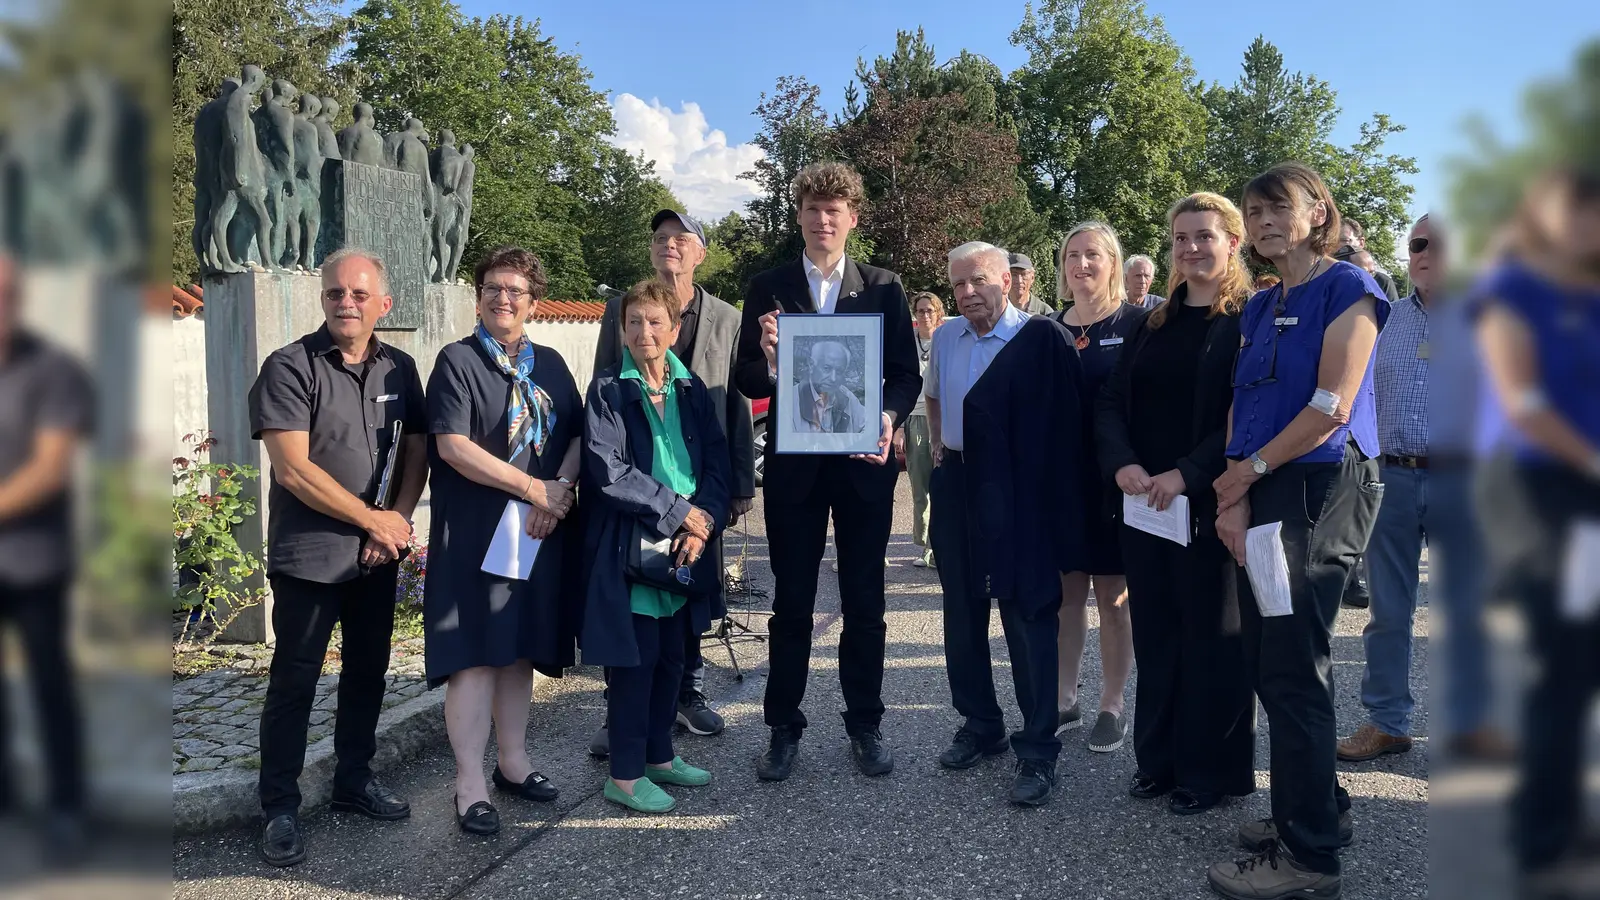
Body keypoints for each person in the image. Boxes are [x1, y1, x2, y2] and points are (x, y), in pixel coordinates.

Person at [1205, 162, 1387, 900]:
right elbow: (1242, 404)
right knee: (1272, 656)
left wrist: (1245, 474)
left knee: (1291, 665)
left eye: (1280, 206)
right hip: (1264, 485)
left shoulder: (1351, 290)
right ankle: (1319, 807)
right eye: (1253, 209)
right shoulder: (1259, 304)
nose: (1264, 219)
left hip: (1322, 483)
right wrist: (1230, 493)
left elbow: (1333, 405)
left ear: (1319, 214)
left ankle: (1309, 859)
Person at [734, 161, 921, 781]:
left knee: (865, 602)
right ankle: (782, 728)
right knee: (792, 605)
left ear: (852, 218)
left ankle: (864, 723)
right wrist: (766, 357)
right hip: (794, 471)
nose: (823, 219)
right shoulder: (769, 286)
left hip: (863, 468)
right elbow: (746, 379)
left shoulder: (885, 288)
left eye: (834, 209)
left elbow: (904, 372)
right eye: (813, 208)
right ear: (800, 214)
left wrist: (891, 415)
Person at [248, 248, 429, 866]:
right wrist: (371, 519)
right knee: (295, 682)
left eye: (358, 294)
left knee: (366, 674)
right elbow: (294, 470)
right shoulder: (290, 366)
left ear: (385, 304)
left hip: (378, 557)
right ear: (322, 299)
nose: (346, 303)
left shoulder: (402, 369)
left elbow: (416, 454)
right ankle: (279, 807)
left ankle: (353, 780)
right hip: (309, 557)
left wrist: (397, 520)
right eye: (335, 294)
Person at [1095, 193, 1256, 815]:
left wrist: (1187, 473)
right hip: (1144, 505)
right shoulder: (1148, 322)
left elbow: (1246, 415)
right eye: (1182, 238)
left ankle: (1208, 771)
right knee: (1158, 633)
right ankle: (1157, 761)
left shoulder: (1245, 321)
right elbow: (1110, 403)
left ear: (1232, 243)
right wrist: (1125, 465)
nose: (1192, 248)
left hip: (1209, 502)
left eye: (1205, 236)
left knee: (1212, 637)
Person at [424, 246, 584, 836]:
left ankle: (514, 763)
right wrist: (533, 489)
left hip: (538, 534)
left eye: (515, 290)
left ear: (534, 303)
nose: (503, 298)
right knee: (474, 656)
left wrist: (559, 490)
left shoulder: (554, 366)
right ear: (479, 297)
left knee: (518, 650)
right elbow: (452, 446)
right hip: (474, 534)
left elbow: (577, 431)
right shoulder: (458, 361)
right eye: (493, 287)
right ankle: (470, 782)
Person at [1471, 169, 1600, 893]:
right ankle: (1543, 834)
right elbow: (1522, 404)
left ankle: (1557, 809)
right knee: (1564, 664)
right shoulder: (1512, 293)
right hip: (1551, 499)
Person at [587, 209, 754, 756]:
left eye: (682, 239)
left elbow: (735, 407)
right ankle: (625, 726)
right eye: (660, 238)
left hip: (705, 491)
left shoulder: (728, 318)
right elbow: (604, 407)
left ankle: (686, 697)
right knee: (636, 617)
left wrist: (727, 495)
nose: (670, 247)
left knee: (687, 600)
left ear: (701, 252)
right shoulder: (620, 312)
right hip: (641, 504)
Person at [927, 242, 1087, 806]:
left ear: (1008, 279)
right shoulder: (945, 336)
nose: (967, 293)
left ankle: (1038, 748)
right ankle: (981, 724)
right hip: (959, 485)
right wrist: (944, 451)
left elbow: (1069, 424)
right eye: (958, 285)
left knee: (1027, 615)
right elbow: (935, 397)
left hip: (1018, 493)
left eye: (978, 281)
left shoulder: (1037, 339)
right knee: (961, 611)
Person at [581, 280, 731, 813]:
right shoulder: (607, 392)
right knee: (635, 662)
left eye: (654, 322)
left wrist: (701, 522)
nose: (644, 332)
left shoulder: (693, 392)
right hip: (634, 543)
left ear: (674, 329)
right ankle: (623, 775)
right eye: (634, 322)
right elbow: (607, 470)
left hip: (687, 542)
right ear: (623, 330)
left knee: (673, 656)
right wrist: (678, 512)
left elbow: (718, 461)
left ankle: (660, 757)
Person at [1337, 214, 1438, 765]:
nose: (1424, 252)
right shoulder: (1386, 320)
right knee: (1389, 612)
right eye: (1417, 243)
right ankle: (1387, 722)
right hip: (1392, 477)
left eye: (1437, 244)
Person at [0, 252, 92, 854]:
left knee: (49, 685)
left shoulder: (53, 368)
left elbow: (50, 468)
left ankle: (66, 805)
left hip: (31, 561)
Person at [1050, 221, 1146, 754]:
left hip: (1116, 481)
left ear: (1113, 262)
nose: (1081, 264)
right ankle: (1066, 696)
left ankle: (1112, 702)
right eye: (1072, 256)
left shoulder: (1138, 323)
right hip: (1064, 483)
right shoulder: (1048, 329)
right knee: (1066, 596)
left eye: (1092, 255)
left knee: (1113, 597)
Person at [895, 291, 943, 568]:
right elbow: (896, 384)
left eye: (930, 310)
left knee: (942, 487)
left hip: (940, 420)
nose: (925, 315)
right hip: (913, 419)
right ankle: (924, 545)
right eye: (920, 310)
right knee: (920, 489)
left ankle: (939, 546)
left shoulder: (946, 341)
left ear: (938, 313)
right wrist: (899, 427)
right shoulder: (906, 345)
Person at [791, 340, 868, 434]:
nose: (833, 378)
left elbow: (869, 426)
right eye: (826, 368)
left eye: (839, 371)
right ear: (811, 365)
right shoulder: (792, 399)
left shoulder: (846, 397)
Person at [1337, 219, 1401, 302]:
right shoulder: (1320, 278)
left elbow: (1392, 314)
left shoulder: (1382, 282)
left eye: (1344, 240)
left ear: (1361, 243)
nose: (1336, 246)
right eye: (1331, 240)